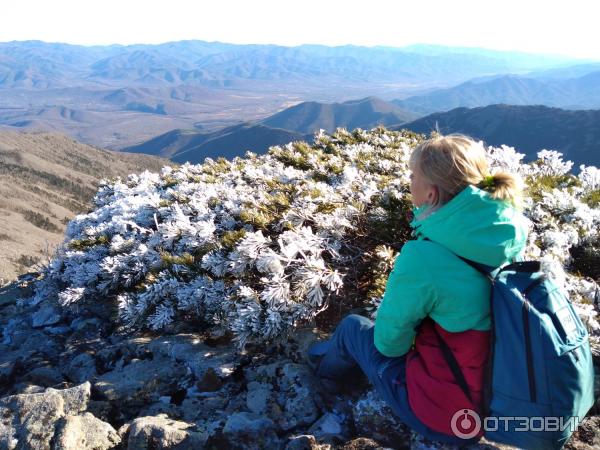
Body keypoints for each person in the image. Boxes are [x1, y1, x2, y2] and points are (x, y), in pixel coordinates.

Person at [308, 134, 530, 444]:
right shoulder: (508, 234)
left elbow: (388, 345)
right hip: (502, 399)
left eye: (413, 176)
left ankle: (320, 380)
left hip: (449, 417)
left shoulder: (424, 258)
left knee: (352, 327)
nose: (409, 182)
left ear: (431, 192)